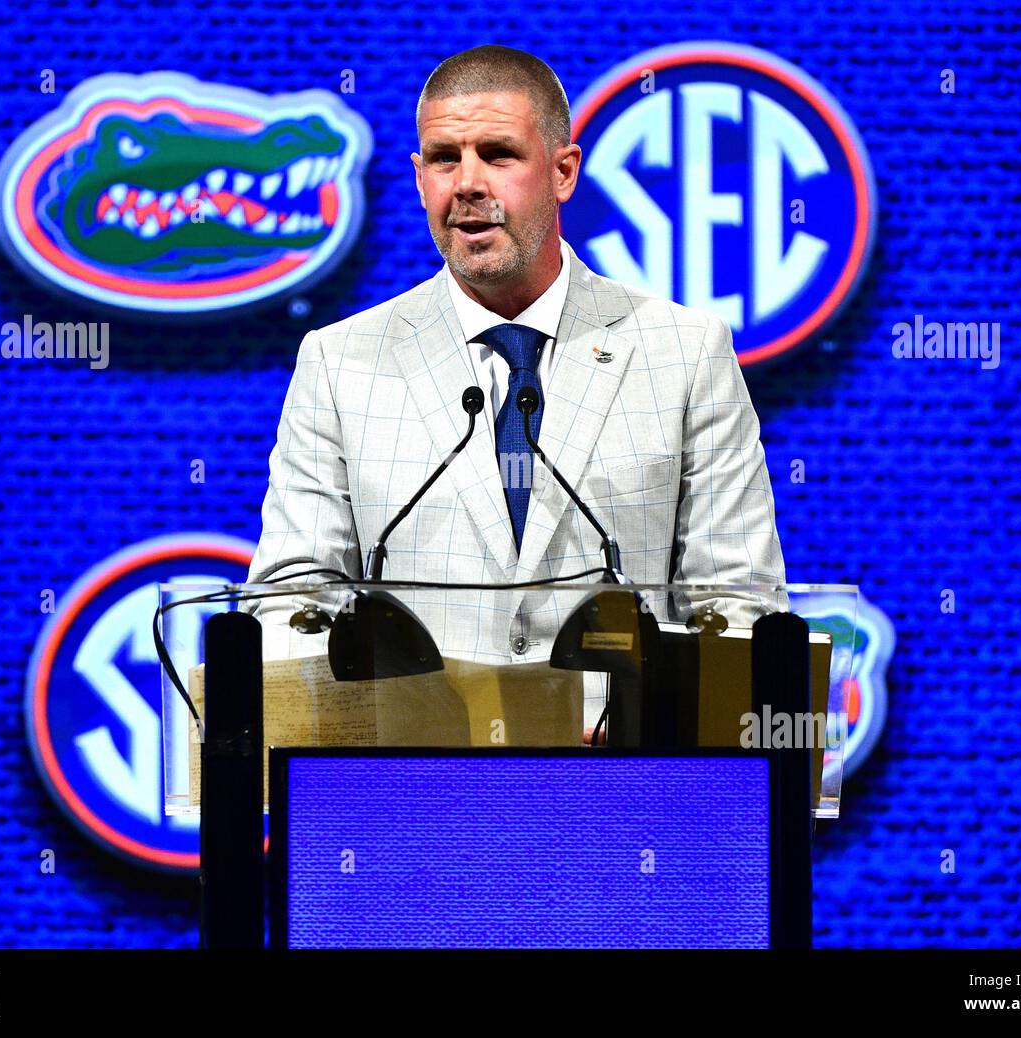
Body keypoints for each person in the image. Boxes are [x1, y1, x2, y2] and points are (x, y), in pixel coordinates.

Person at [247, 45, 786, 736]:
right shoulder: (340, 362)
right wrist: (376, 726)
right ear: (419, 179)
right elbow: (294, 600)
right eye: (444, 158)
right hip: (407, 802)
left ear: (563, 171)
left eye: (498, 154)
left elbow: (736, 599)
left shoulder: (683, 353)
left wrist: (656, 726)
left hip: (629, 801)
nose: (467, 183)